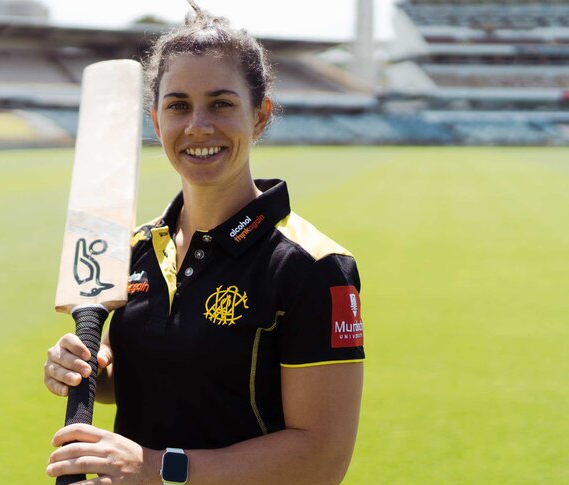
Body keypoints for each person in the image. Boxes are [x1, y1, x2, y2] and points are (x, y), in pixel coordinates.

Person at [44, 3, 365, 483]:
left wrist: (156, 468)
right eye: (178, 105)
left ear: (259, 116)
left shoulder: (313, 266)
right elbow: (149, 376)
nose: (198, 126)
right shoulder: (134, 248)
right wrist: (88, 367)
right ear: (156, 122)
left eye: (221, 103)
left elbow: (321, 459)